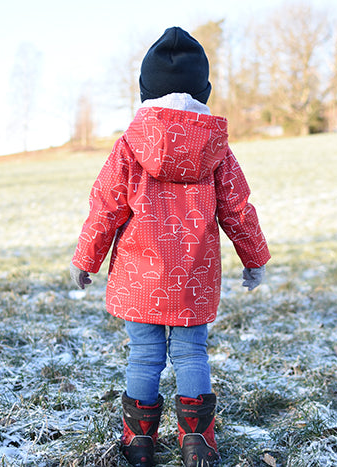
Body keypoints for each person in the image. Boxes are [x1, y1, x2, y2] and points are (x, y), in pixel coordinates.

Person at [70, 26, 270, 467]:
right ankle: (197, 441)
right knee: (191, 353)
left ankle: (138, 443)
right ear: (204, 91)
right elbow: (238, 208)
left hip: (140, 279)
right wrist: (253, 259)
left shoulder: (129, 146)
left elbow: (106, 207)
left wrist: (87, 258)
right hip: (193, 280)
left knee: (144, 355)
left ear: (145, 91)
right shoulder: (216, 147)